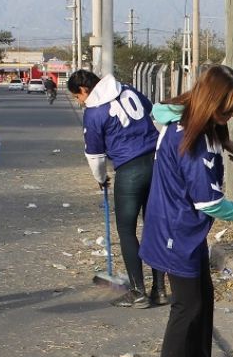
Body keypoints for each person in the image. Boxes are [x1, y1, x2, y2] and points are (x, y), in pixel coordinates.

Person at [140, 65, 233, 357]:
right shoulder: (195, 144)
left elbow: (201, 123)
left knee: (202, 300)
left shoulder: (186, 117)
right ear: (212, 102)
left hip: (179, 228)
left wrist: (227, 140)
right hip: (176, 232)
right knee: (187, 307)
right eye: (229, 108)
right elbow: (208, 202)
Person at [67, 69, 167, 309]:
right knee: (154, 225)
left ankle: (138, 291)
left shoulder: (94, 112)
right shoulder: (128, 89)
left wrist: (101, 178)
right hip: (156, 161)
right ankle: (160, 290)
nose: (79, 102)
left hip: (130, 170)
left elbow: (95, 155)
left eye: (77, 97)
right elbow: (154, 114)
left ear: (83, 90)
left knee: (126, 229)